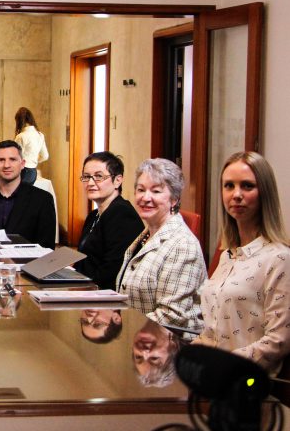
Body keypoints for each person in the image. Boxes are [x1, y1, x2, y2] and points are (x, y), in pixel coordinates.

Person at [195, 152, 290, 376]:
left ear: (264, 193)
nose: (236, 195)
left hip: (247, 383)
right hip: (212, 379)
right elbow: (211, 332)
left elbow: (279, 340)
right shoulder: (228, 255)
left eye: (247, 186)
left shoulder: (280, 258)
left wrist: (222, 366)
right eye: (229, 186)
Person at [115, 158, 206, 334]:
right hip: (141, 338)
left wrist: (126, 333)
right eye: (141, 190)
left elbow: (171, 316)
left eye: (156, 191)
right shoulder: (146, 235)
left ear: (174, 199)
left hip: (172, 344)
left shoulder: (182, 245)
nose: (145, 197)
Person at [74, 152, 144, 289]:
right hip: (84, 285)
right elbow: (84, 260)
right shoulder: (93, 215)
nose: (90, 183)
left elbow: (113, 270)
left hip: (105, 293)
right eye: (86, 177)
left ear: (117, 180)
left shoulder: (122, 214)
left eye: (99, 176)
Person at [14, 107, 49, 186]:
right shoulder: (40, 135)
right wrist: (33, 160)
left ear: (19, 121)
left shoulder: (21, 136)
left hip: (23, 172)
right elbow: (45, 156)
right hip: (33, 172)